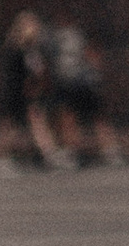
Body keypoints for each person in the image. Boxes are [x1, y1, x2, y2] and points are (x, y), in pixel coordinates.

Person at [0, 10, 61, 172]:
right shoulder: (15, 47)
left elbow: (38, 69)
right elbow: (14, 71)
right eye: (31, 25)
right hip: (14, 92)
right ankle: (0, 158)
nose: (35, 28)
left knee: (37, 124)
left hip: (29, 93)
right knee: (8, 127)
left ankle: (49, 154)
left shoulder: (34, 48)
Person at [52, 21, 123, 166]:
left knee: (97, 118)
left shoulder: (81, 35)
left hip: (84, 82)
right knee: (70, 118)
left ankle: (110, 150)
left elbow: (94, 57)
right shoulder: (55, 38)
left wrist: (95, 75)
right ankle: (73, 153)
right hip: (70, 83)